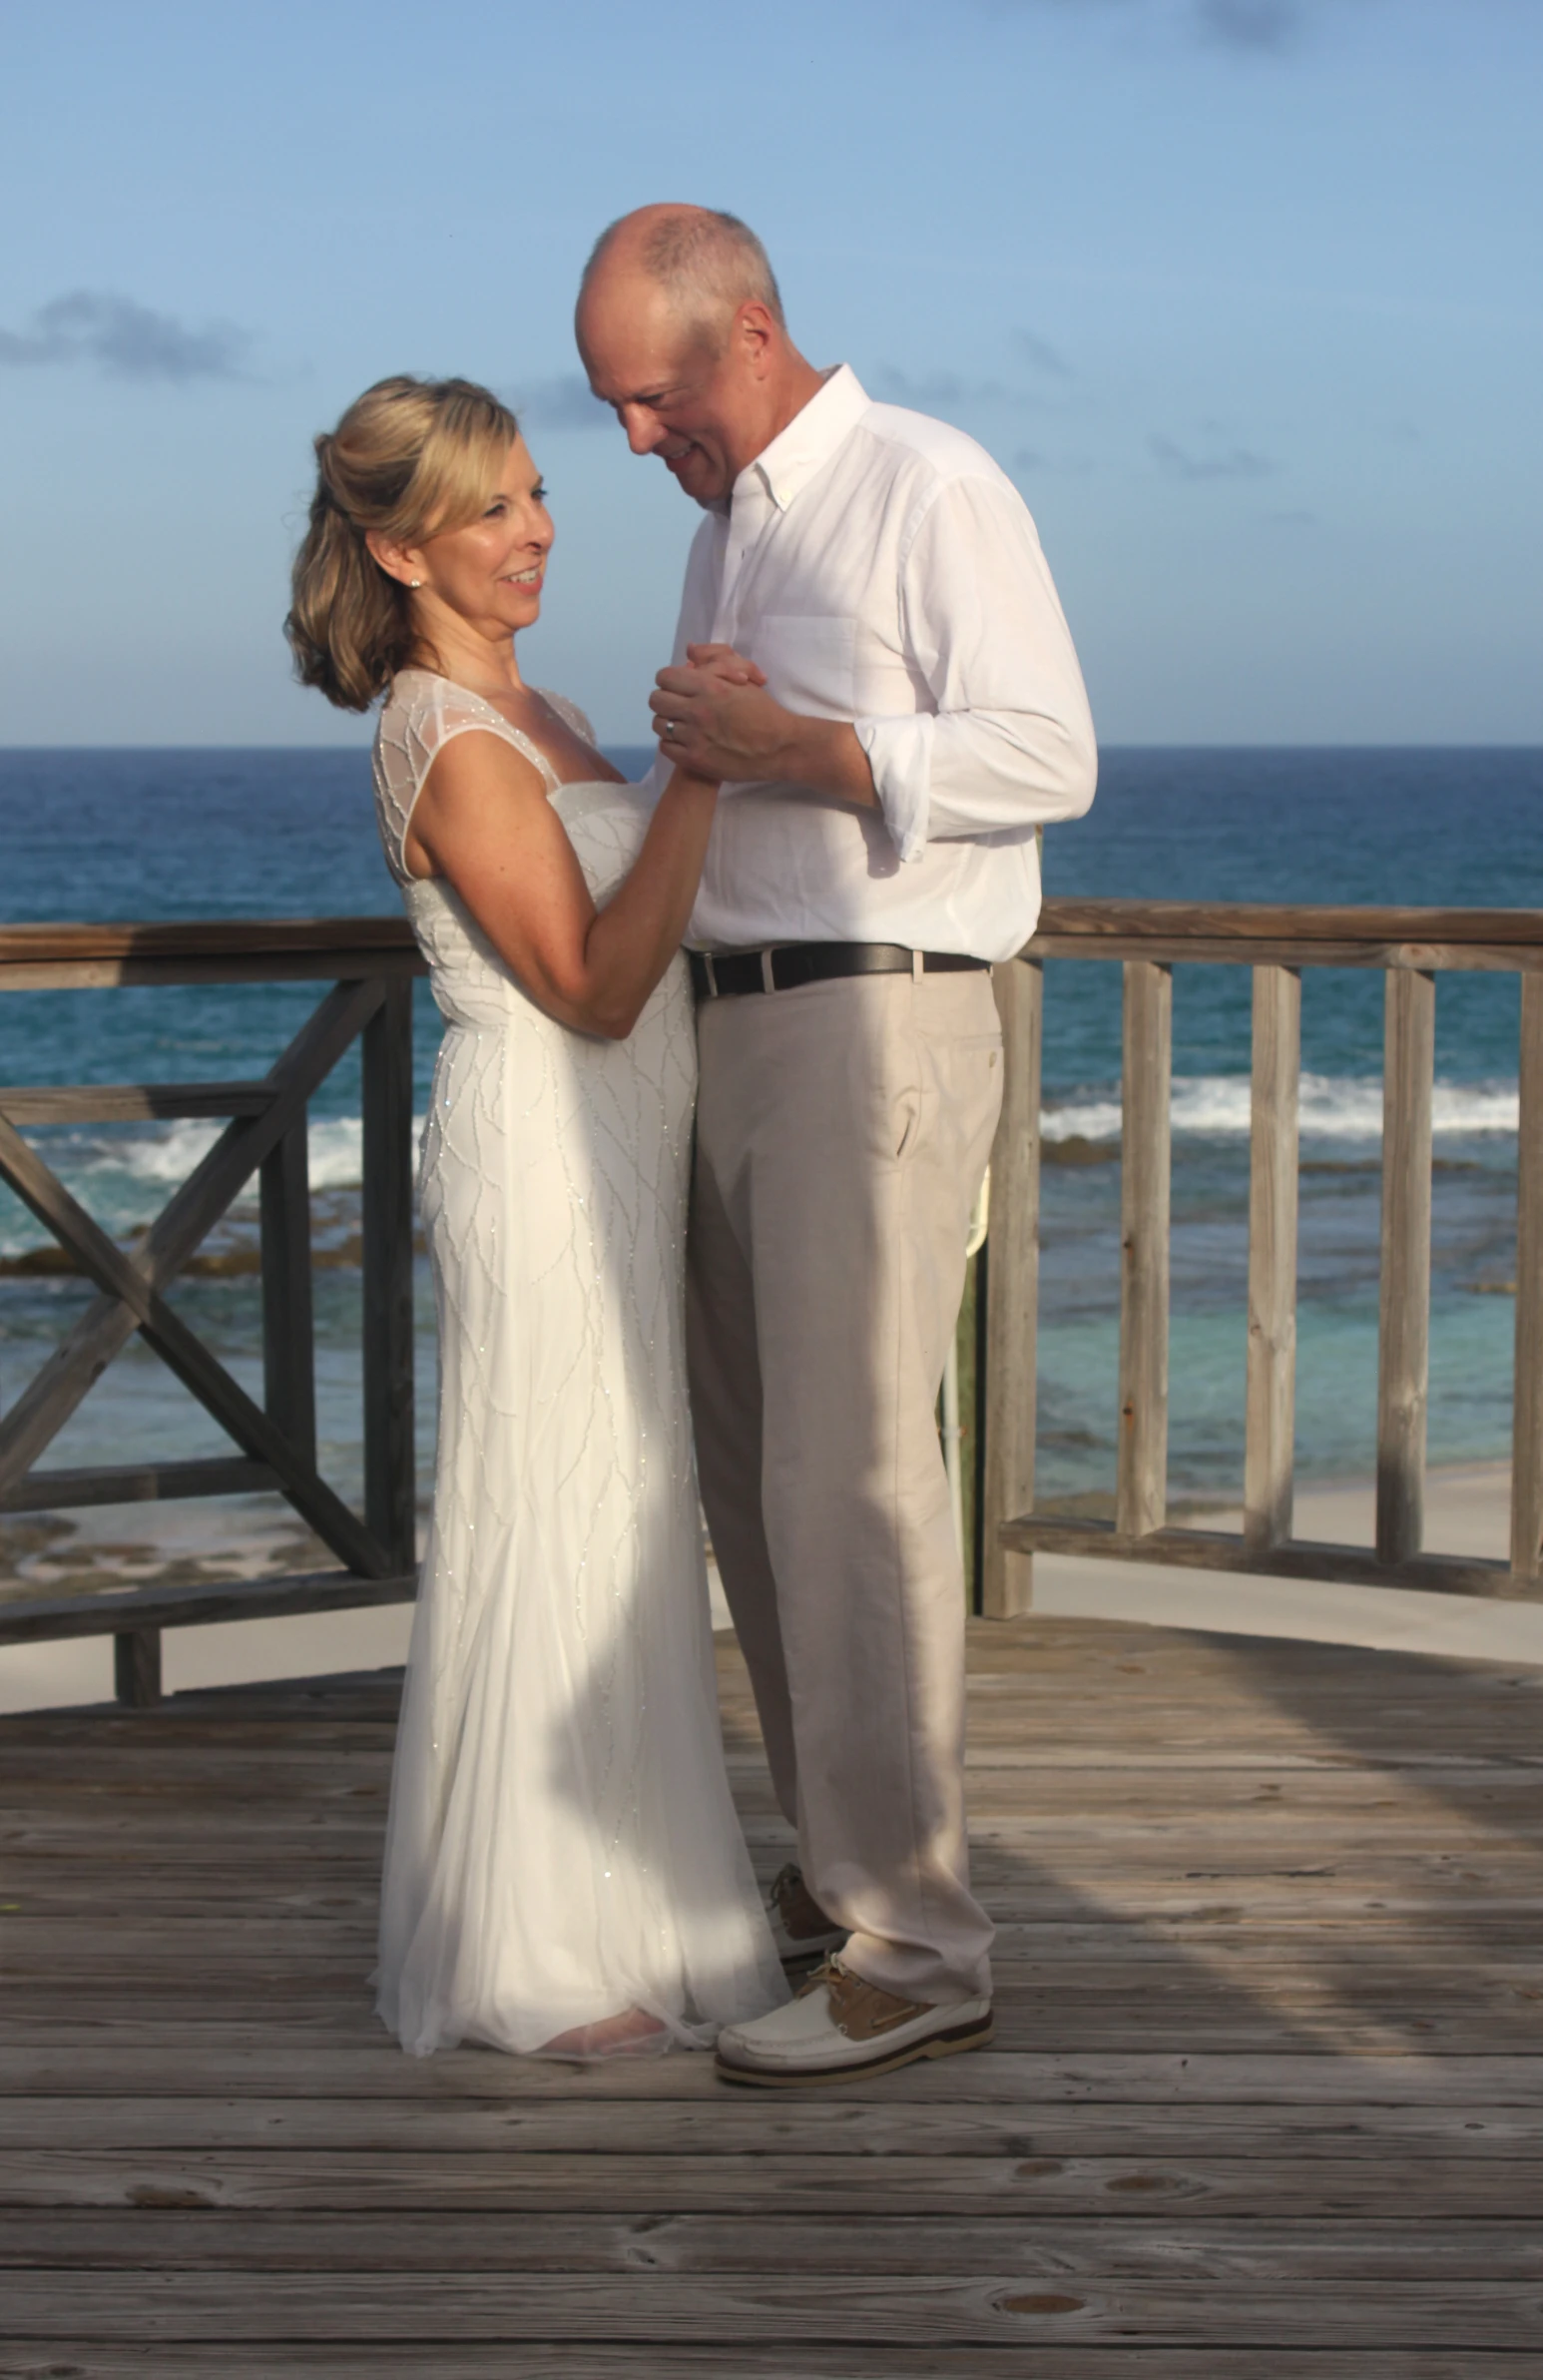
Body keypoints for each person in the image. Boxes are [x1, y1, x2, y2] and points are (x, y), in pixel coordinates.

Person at [577, 209, 1097, 2085]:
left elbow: (1051, 754)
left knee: (855, 1483)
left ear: (753, 333)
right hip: (730, 1031)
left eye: (652, 400)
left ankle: (920, 1940)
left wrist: (815, 748)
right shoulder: (730, 529)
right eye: (613, 411)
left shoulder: (928, 483)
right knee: (758, 1481)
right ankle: (844, 1878)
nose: (635, 444)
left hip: (872, 1018)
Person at [285, 373, 788, 2059]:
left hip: (626, 1152)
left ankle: (635, 1903)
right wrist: (699, 779)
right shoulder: (439, 730)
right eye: (490, 509)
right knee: (551, 1515)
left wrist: (676, 760)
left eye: (534, 495)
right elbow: (585, 981)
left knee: (632, 1518)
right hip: (543, 1145)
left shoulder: (549, 706)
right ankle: (528, 1951)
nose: (536, 532)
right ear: (398, 549)